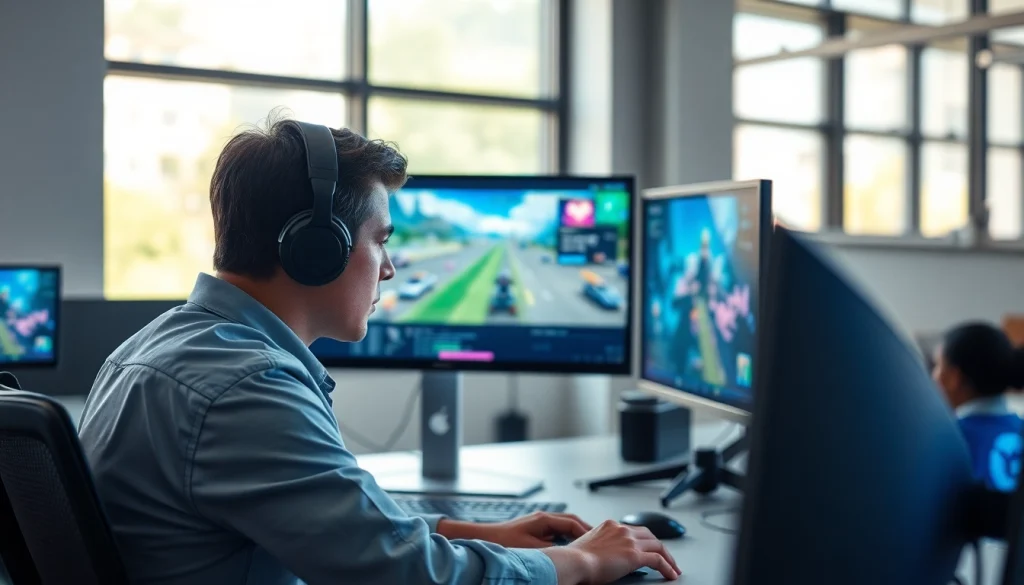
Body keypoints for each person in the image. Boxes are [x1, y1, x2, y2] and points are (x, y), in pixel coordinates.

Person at [77, 116, 680, 585]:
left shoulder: (157, 348)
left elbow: (325, 527)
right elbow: (402, 575)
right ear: (316, 248)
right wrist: (578, 564)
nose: (390, 268)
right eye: (380, 241)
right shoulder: (245, 387)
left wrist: (472, 531)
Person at [932, 321, 1024, 492]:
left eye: (937, 365)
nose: (933, 376)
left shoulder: (944, 439)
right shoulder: (1020, 428)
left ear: (953, 378)